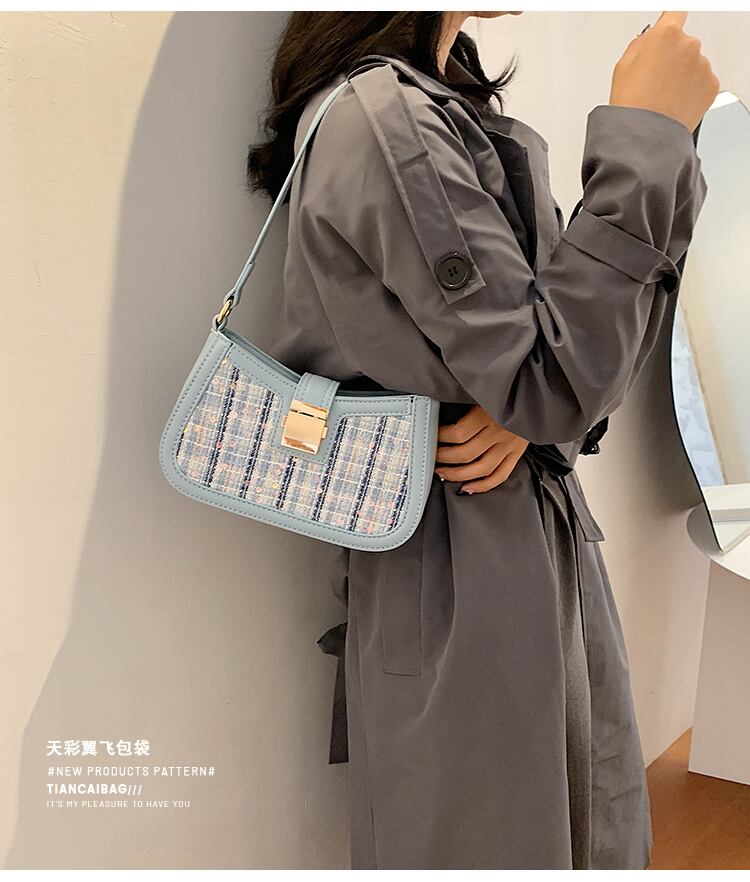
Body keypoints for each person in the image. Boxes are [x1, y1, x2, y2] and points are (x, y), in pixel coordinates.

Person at [246, 10, 718, 870]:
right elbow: (555, 375)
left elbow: (565, 368)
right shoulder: (386, 123)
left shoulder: (435, 102)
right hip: (468, 567)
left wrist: (525, 407)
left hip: (509, 539)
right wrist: (649, 135)